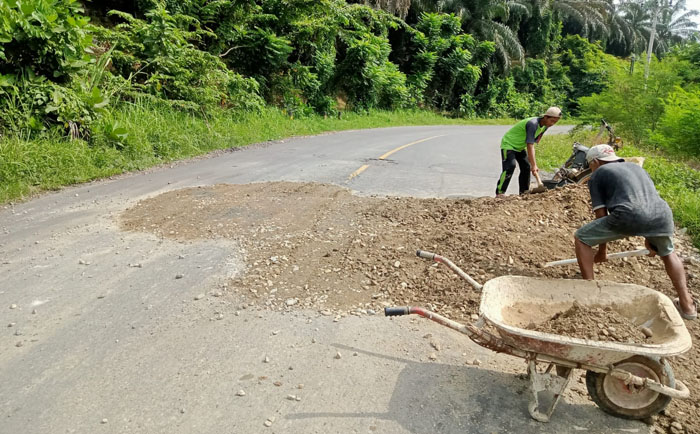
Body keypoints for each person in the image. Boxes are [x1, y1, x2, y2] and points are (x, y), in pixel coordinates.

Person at [574, 144, 697, 320]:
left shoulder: (598, 175)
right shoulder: (636, 168)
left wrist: (602, 251)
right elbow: (645, 202)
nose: (590, 168)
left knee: (581, 238)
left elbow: (600, 215)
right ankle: (687, 305)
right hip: (662, 215)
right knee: (669, 254)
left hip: (629, 215)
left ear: (595, 162)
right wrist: (649, 235)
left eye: (590, 165)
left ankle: (591, 290)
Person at [495, 106, 562, 197]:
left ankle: (524, 192)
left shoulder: (545, 126)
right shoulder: (532, 124)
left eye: (555, 122)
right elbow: (530, 145)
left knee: (526, 167)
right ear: (546, 117)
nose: (552, 124)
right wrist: (534, 165)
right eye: (552, 121)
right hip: (509, 144)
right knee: (510, 166)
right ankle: (500, 192)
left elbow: (534, 142)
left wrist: (532, 163)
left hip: (520, 147)